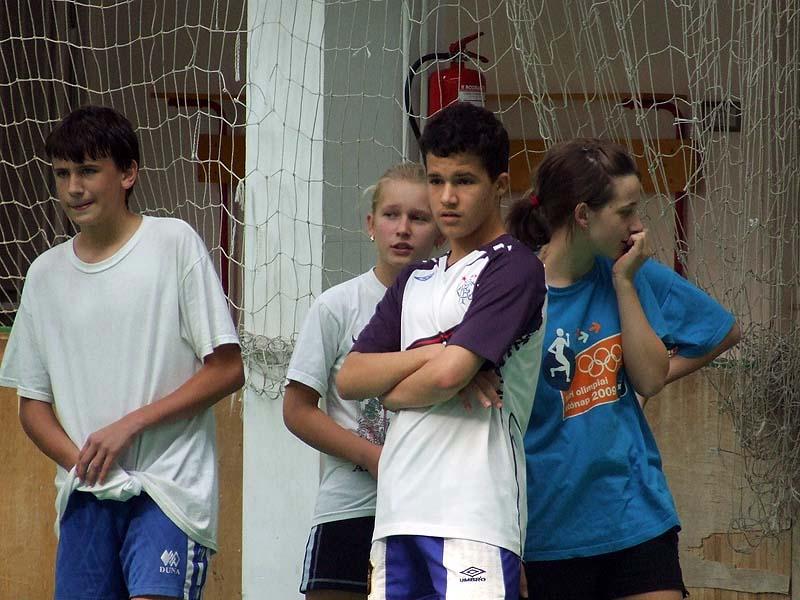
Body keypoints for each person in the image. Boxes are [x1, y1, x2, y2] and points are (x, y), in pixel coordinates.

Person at [0, 105, 245, 600]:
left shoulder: (173, 243)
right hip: (85, 495)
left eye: (88, 171)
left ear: (128, 173)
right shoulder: (44, 275)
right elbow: (32, 405)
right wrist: (83, 462)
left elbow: (227, 369)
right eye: (62, 174)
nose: (74, 187)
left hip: (166, 491)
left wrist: (129, 426)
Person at [506, 138, 741, 600]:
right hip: (547, 531)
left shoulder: (631, 272)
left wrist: (624, 283)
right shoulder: (517, 292)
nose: (637, 226)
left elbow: (713, 338)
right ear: (583, 215)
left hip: (635, 517)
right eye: (626, 211)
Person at [336, 102, 547, 600]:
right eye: (436, 180)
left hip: (473, 514)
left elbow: (450, 377)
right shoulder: (415, 277)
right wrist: (433, 353)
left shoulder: (514, 266)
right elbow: (350, 378)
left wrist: (396, 386)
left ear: (499, 185)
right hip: (398, 511)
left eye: (464, 181)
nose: (447, 197)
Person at [283, 162, 441, 599]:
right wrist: (372, 457)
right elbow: (296, 410)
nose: (403, 228)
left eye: (419, 217)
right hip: (350, 509)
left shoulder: (452, 309)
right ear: (371, 224)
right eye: (391, 215)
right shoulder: (336, 307)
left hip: (429, 510)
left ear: (440, 232)